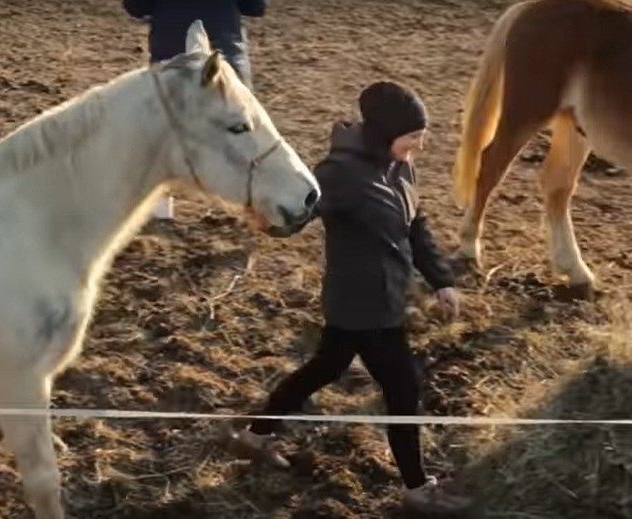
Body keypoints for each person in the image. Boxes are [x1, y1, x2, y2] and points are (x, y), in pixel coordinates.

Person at [224, 81, 474, 515]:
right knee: (402, 390)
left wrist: (442, 280)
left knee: (324, 367)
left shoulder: (400, 168)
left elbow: (416, 227)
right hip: (361, 305)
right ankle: (417, 488)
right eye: (413, 136)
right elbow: (301, 210)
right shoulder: (339, 171)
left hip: (387, 298)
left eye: (421, 136)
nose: (420, 145)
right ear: (385, 133)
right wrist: (270, 224)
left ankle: (255, 434)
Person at [122, 0, 267, 219]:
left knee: (163, 133)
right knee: (243, 134)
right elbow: (255, 7)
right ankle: (259, 204)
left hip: (171, 61)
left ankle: (160, 208)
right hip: (225, 61)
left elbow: (136, 7)